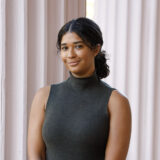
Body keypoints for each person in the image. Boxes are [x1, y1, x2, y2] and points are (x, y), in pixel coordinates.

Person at [27, 17, 131, 160]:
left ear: (96, 49)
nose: (70, 55)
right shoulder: (44, 96)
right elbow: (35, 154)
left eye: (78, 46)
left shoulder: (116, 102)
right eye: (64, 48)